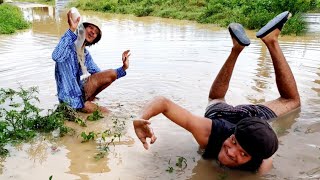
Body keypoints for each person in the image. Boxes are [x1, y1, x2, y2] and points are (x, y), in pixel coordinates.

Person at [133, 11, 300, 173]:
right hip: (236, 116)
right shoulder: (208, 134)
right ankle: (270, 41)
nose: (232, 152)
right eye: (234, 142)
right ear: (231, 135)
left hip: (246, 119)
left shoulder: (260, 162)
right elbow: (163, 103)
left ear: (254, 159)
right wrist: (141, 119)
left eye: (244, 154)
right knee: (291, 101)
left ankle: (243, 46)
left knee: (216, 97)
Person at [52, 10, 131, 113]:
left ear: (95, 39)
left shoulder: (85, 54)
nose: (93, 32)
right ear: (82, 28)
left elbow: (100, 76)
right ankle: (77, 108)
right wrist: (71, 29)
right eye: (91, 28)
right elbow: (56, 56)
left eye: (96, 32)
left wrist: (124, 68)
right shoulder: (68, 45)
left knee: (110, 74)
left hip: (79, 93)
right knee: (107, 113)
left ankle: (88, 100)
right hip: (70, 99)